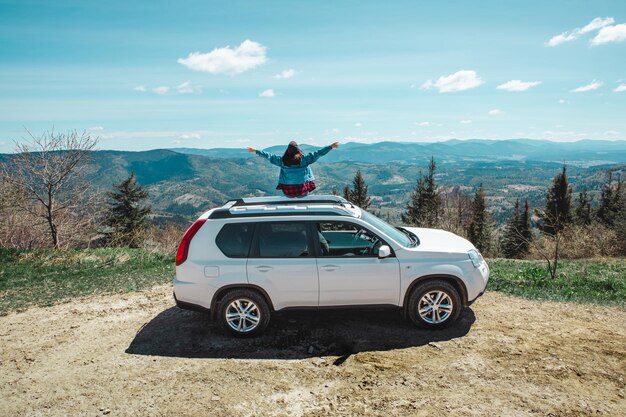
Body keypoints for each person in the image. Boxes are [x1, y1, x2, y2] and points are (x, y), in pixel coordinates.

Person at [247, 141, 339, 197]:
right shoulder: (304, 160)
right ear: (298, 150)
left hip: (288, 192)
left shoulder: (282, 161)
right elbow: (318, 153)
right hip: (303, 191)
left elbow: (269, 156)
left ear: (287, 151)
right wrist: (330, 147)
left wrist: (255, 151)